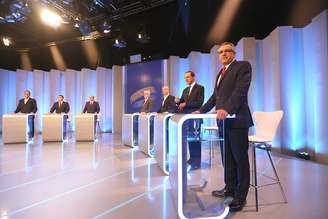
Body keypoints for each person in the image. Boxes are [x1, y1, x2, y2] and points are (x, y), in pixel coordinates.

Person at [196, 42, 253, 212]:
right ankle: (229, 188)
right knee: (227, 158)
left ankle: (240, 197)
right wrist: (201, 110)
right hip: (222, 122)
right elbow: (215, 97)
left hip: (237, 120)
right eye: (221, 52)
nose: (224, 54)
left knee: (240, 159)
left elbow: (240, 91)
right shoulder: (220, 73)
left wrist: (227, 109)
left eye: (227, 51)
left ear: (234, 53)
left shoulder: (243, 66)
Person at [177, 71, 204, 170]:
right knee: (189, 139)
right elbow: (181, 101)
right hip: (186, 118)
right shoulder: (185, 90)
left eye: (188, 77)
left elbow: (199, 103)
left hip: (195, 118)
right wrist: (178, 102)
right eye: (185, 78)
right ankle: (192, 158)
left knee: (196, 140)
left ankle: (197, 161)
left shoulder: (200, 88)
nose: (186, 79)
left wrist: (185, 104)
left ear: (193, 77)